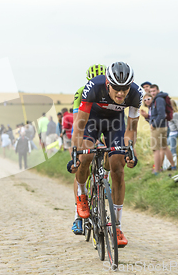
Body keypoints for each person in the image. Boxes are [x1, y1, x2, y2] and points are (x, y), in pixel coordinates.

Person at [70, 62, 142, 247]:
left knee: (118, 167)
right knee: (85, 157)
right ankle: (82, 195)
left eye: (124, 89)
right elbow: (80, 124)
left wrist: (130, 151)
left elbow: (131, 129)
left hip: (115, 123)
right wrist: (75, 151)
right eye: (116, 89)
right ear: (108, 84)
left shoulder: (136, 94)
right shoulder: (93, 87)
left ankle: (116, 226)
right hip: (91, 120)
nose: (120, 94)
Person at [70, 64, 106, 235]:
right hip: (84, 126)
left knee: (110, 150)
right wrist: (79, 146)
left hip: (102, 126)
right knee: (82, 162)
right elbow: (78, 121)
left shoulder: (110, 92)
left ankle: (103, 179)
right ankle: (78, 215)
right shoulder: (82, 91)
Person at [149, 84, 176, 174]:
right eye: (151, 91)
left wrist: (153, 125)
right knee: (164, 147)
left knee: (155, 149)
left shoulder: (159, 99)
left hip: (158, 127)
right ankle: (173, 166)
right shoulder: (160, 98)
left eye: (154, 91)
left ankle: (156, 171)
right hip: (163, 126)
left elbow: (161, 114)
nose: (152, 93)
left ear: (158, 90)